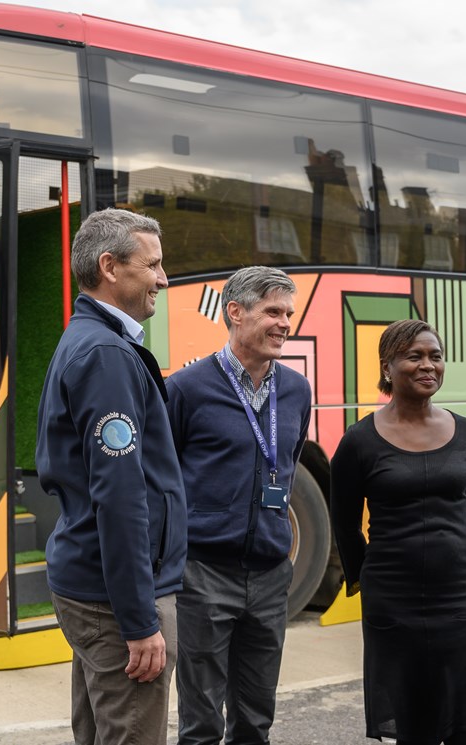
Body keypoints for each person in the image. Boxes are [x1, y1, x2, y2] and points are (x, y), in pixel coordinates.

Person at [35, 208, 187, 745]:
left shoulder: (90, 341)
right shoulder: (105, 355)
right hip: (112, 596)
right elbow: (121, 496)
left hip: (95, 586)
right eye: (153, 265)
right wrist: (140, 620)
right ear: (110, 267)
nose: (164, 280)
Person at [330, 318, 466, 745]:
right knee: (412, 726)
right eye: (414, 356)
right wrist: (366, 578)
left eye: (435, 356)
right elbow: (344, 524)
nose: (428, 365)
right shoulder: (359, 441)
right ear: (388, 367)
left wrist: (464, 571)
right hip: (393, 604)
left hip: (460, 602)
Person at [165, 266, 312, 745]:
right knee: (201, 720)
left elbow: (285, 462)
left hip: (270, 576)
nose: (284, 322)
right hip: (204, 574)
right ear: (235, 312)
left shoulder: (296, 390)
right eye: (273, 311)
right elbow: (163, 479)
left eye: (288, 312)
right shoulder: (185, 389)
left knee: (255, 719)